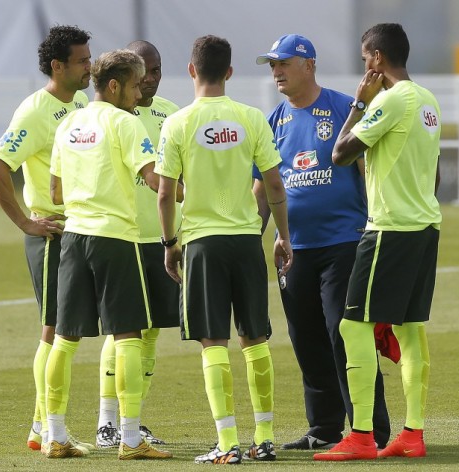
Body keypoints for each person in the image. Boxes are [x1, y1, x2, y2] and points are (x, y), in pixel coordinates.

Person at [156, 35, 293, 465]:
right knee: (255, 337)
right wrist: (282, 235)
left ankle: (228, 443)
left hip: (201, 243)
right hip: (245, 240)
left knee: (212, 341)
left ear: (191, 70)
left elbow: (164, 194)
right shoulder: (252, 118)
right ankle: (266, 437)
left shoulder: (177, 123)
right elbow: (273, 184)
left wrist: (169, 243)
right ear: (230, 73)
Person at [253, 33, 391, 451]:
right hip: (294, 248)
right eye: (272, 65)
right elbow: (264, 187)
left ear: (308, 64)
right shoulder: (275, 120)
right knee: (306, 337)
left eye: (283, 63)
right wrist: (252, 239)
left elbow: (369, 168)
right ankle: (324, 428)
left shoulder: (340, 107)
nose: (276, 71)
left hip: (344, 242)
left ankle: (371, 429)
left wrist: (375, 227)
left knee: (343, 334)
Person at [313, 23, 441, 462]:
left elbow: (341, 152)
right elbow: (435, 173)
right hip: (425, 226)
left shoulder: (391, 100)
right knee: (409, 330)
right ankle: (412, 433)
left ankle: (363, 436)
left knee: (354, 326)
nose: (364, 67)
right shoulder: (428, 101)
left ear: (378, 58)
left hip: (390, 228)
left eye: (366, 59)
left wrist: (358, 105)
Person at [43, 49, 173, 460]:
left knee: (64, 339)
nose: (139, 94)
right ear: (114, 85)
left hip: (74, 238)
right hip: (116, 239)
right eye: (135, 85)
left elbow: (55, 193)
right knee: (129, 336)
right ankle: (130, 438)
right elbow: (155, 181)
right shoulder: (125, 122)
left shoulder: (69, 123)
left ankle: (56, 435)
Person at [0, 24, 94, 453]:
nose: (89, 66)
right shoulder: (34, 110)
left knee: (66, 330)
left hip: (77, 229)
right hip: (49, 235)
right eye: (82, 60)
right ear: (57, 66)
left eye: (89, 58)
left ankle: (39, 426)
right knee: (53, 330)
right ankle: (48, 429)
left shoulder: (82, 102)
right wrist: (27, 224)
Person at [95, 39, 181, 449]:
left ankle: (134, 419)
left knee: (149, 336)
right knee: (121, 333)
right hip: (123, 238)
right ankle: (106, 421)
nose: (149, 79)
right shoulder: (108, 116)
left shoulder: (172, 114)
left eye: (156, 70)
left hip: (162, 239)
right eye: (142, 71)